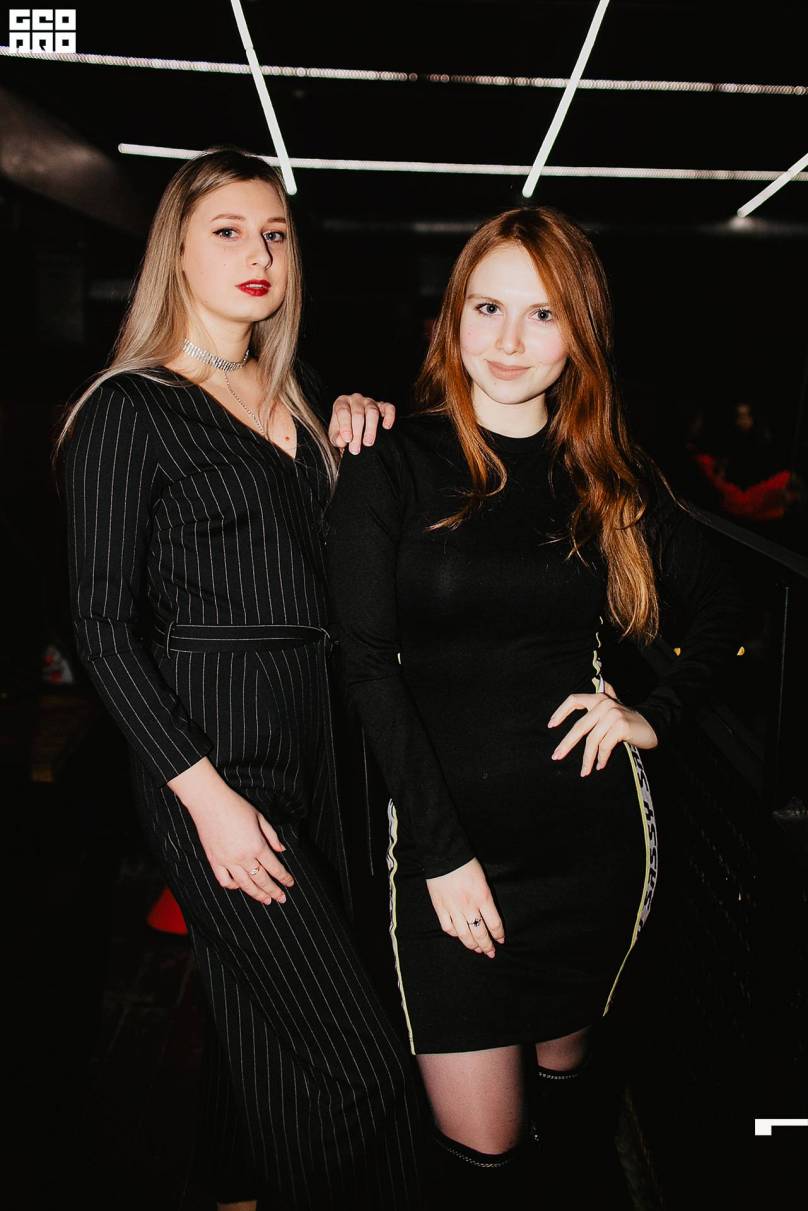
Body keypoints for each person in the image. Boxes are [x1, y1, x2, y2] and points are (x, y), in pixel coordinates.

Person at [325, 207, 746, 1203]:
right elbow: (367, 667)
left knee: (567, 1122)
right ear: (452, 316)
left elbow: (730, 608)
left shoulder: (603, 476)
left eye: (543, 314)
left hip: (589, 851)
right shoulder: (392, 461)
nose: (509, 340)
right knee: (482, 1157)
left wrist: (655, 712)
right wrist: (441, 854)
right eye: (487, 307)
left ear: (579, 333)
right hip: (447, 859)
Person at [57, 146, 424, 1211]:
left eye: (274, 233)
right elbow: (99, 630)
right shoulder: (129, 408)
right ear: (176, 250)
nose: (257, 251)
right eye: (226, 231)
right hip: (214, 761)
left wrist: (363, 428)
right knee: (365, 1070)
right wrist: (205, 798)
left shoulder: (299, 398)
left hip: (320, 745)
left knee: (261, 1040)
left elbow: (344, 567)